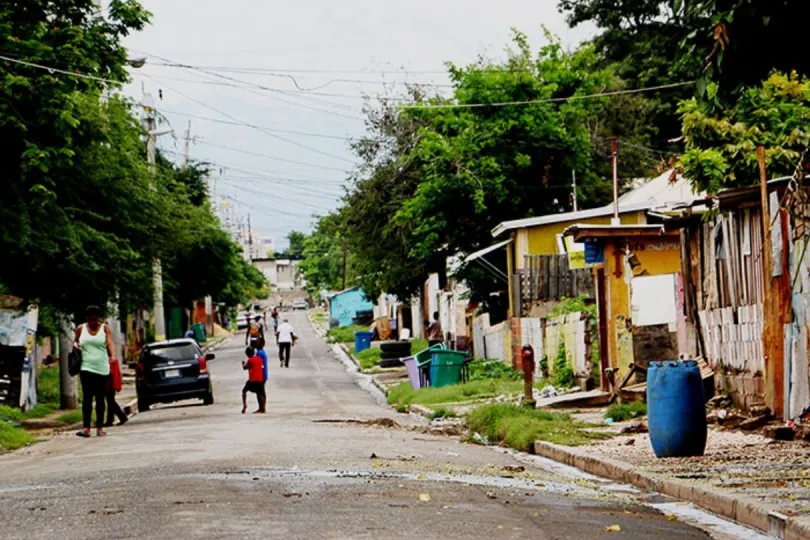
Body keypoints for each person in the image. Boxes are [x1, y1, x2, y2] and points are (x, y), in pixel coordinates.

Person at [73, 305, 114, 437]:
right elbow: (75, 342)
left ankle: (100, 427)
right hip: (86, 367)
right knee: (87, 398)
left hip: (102, 368)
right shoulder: (80, 329)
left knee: (100, 398)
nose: (92, 323)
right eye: (90, 320)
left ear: (98, 319)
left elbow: (109, 343)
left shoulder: (105, 329)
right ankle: (86, 428)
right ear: (87, 319)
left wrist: (112, 356)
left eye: (95, 320)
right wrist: (76, 348)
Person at [104, 355, 128, 427]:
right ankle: (110, 420)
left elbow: (111, 373)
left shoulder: (110, 360)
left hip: (110, 383)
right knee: (110, 401)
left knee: (111, 401)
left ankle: (121, 417)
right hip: (111, 383)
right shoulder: (112, 359)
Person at [241, 346, 266, 414]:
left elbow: (245, 368)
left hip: (253, 380)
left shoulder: (250, 360)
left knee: (244, 391)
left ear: (247, 354)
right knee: (261, 394)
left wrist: (243, 364)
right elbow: (262, 367)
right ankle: (263, 408)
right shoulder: (259, 359)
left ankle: (244, 405)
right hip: (260, 380)